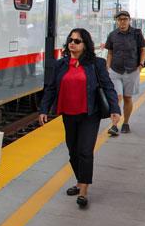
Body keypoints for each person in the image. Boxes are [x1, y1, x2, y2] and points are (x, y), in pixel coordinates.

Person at [38, 29, 120, 208]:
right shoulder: (60, 64)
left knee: (85, 151)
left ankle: (83, 190)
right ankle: (79, 180)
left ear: (85, 45)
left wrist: (115, 109)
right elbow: (51, 88)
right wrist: (44, 109)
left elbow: (108, 87)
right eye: (70, 40)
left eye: (77, 41)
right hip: (68, 113)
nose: (72, 43)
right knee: (73, 151)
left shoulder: (96, 64)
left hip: (89, 114)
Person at [105, 10, 145, 136]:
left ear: (129, 20)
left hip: (131, 70)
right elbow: (110, 53)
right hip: (115, 70)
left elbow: (143, 49)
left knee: (127, 97)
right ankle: (114, 125)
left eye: (124, 19)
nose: (122, 22)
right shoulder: (112, 35)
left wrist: (140, 65)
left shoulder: (137, 33)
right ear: (117, 21)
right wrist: (107, 67)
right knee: (116, 97)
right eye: (119, 19)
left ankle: (126, 123)